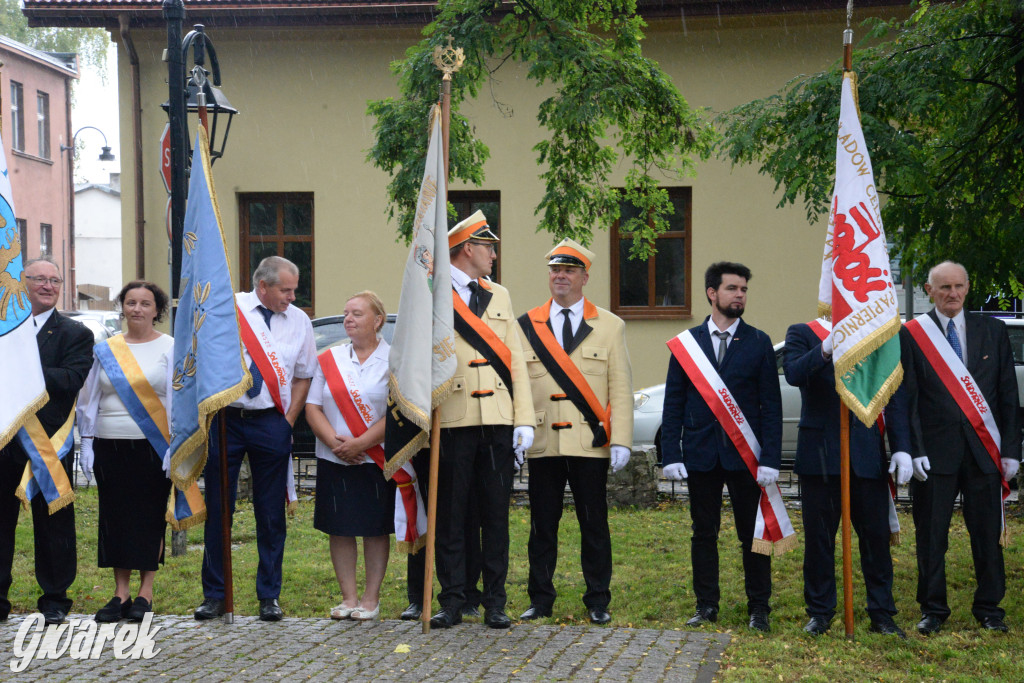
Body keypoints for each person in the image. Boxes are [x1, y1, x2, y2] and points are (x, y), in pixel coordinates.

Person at [661, 261, 783, 632]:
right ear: (712, 293)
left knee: (753, 535)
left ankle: (759, 607)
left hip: (746, 458)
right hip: (702, 455)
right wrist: (671, 453)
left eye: (744, 289)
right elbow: (674, 403)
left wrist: (771, 459)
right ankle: (706, 605)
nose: (740, 295)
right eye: (732, 289)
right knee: (704, 532)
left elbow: (771, 407)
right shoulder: (688, 344)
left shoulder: (759, 341)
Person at [900, 261, 1021, 634]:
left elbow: (1006, 395)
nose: (952, 294)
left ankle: (989, 610)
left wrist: (1012, 451)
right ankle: (933, 610)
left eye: (958, 286)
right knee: (931, 535)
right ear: (929, 290)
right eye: (944, 287)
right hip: (934, 454)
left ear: (967, 288)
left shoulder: (993, 330)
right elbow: (908, 398)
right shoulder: (913, 333)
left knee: (986, 535)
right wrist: (912, 448)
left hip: (985, 451)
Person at [517, 239, 633, 625]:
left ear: (585, 277)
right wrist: (519, 428)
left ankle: (598, 599)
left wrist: (622, 440)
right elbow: (518, 384)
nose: (560, 276)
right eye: (554, 270)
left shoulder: (610, 325)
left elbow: (620, 386)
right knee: (542, 527)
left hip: (589, 442)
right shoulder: (527, 325)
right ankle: (540, 598)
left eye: (568, 270)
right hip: (544, 441)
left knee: (594, 525)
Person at [194, 255, 316, 622]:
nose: (292, 297)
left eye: (295, 289)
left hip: (270, 422)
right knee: (219, 509)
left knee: (270, 512)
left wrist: (288, 419)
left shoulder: (300, 322)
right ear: (262, 286)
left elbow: (304, 374)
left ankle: (269, 595)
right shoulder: (226, 309)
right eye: (286, 290)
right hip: (225, 422)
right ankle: (215, 594)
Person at [428, 210, 534, 629]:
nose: (493, 254)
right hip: (452, 419)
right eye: (488, 247)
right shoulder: (433, 294)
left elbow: (517, 360)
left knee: (495, 515)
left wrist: (522, 418)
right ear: (467, 249)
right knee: (451, 517)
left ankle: (495, 600)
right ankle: (453, 599)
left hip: (497, 419)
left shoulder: (500, 295)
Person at [783, 318, 913, 637]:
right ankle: (820, 613)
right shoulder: (802, 332)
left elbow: (892, 393)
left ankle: (881, 614)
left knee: (876, 541)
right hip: (820, 455)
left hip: (866, 454)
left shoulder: (875, 334)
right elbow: (794, 373)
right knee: (819, 541)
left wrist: (901, 448)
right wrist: (826, 349)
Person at [0, 258, 93, 624]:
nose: (48, 285)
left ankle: (55, 598)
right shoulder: (5, 329)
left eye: (55, 280)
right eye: (39, 279)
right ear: (22, 284)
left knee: (54, 522)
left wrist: (21, 368)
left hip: (49, 440)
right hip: (4, 439)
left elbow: (71, 379)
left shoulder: (75, 333)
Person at [77, 281, 176, 623]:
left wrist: (174, 445)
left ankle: (146, 593)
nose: (137, 308)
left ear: (156, 310)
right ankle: (121, 593)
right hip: (109, 443)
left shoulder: (170, 347)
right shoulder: (105, 350)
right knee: (115, 518)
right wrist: (86, 441)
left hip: (153, 445)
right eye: (131, 302)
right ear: (122, 307)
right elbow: (89, 398)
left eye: (145, 303)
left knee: (149, 519)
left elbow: (177, 401)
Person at [305, 291, 393, 621]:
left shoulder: (393, 359)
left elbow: (396, 412)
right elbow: (312, 406)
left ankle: (370, 599)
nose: (348, 319)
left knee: (373, 528)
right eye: (346, 313)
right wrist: (335, 443)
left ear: (378, 320)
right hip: (334, 457)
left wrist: (360, 444)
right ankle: (348, 597)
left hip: (375, 458)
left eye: (356, 313)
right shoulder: (330, 359)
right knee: (339, 528)